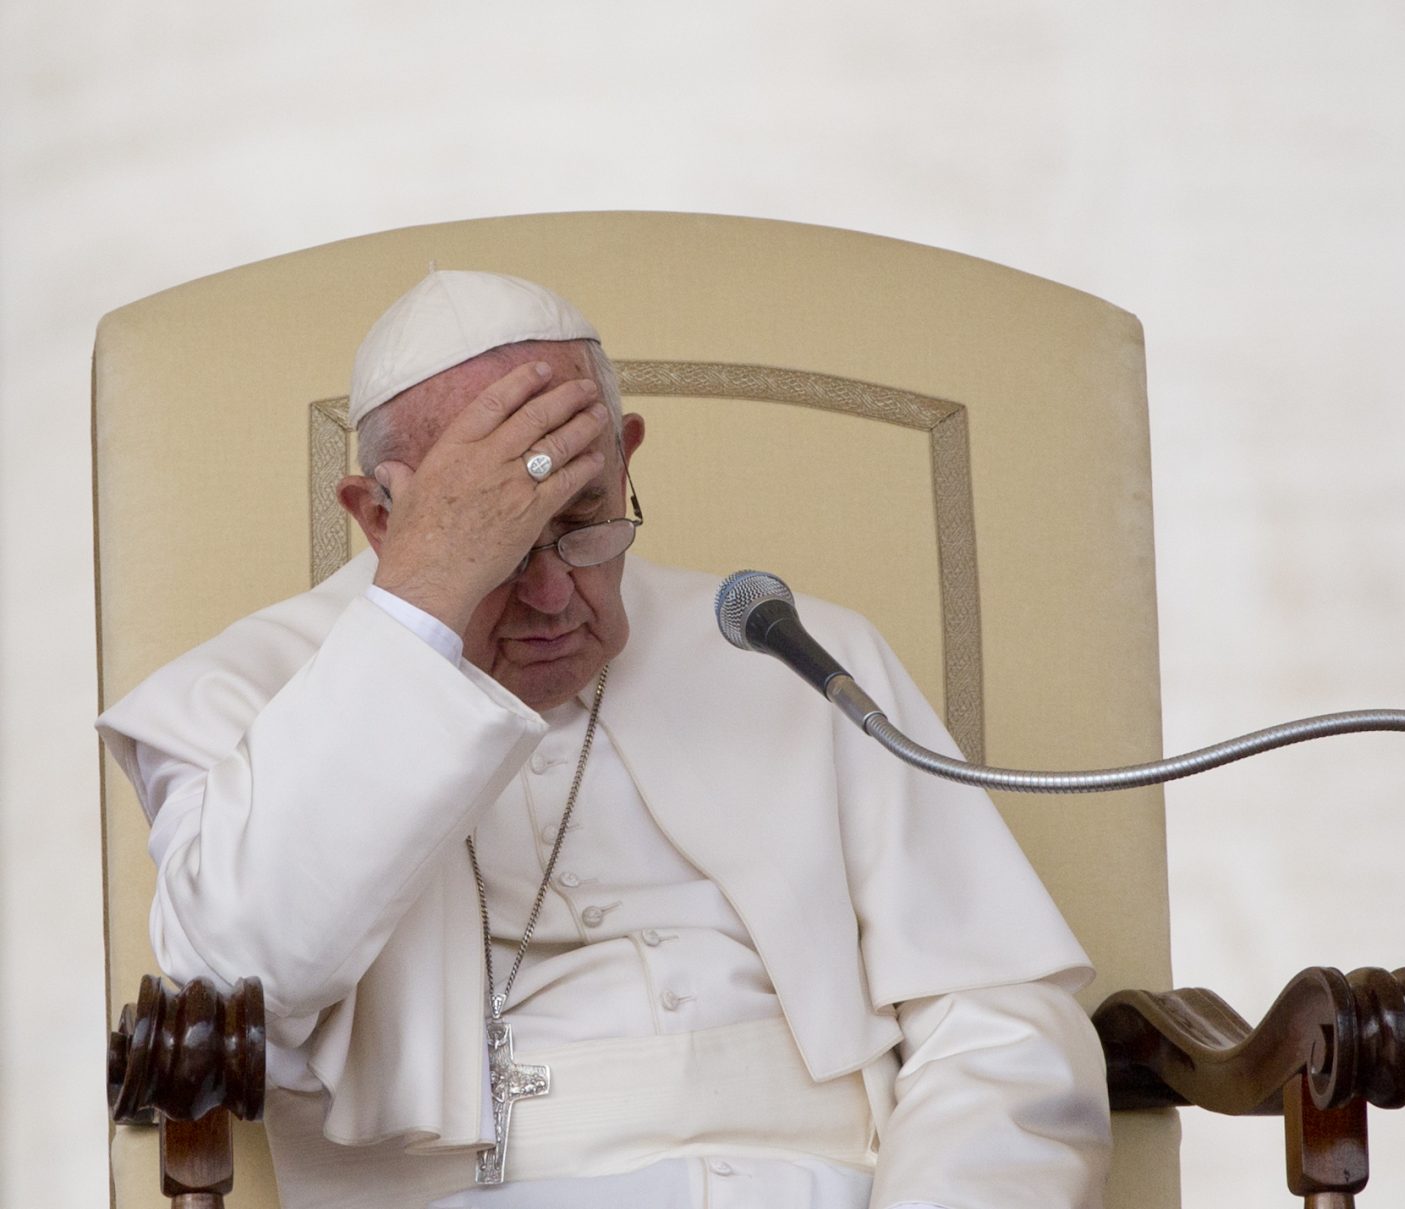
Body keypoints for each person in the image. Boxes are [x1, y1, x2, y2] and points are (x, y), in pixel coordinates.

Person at [98, 271, 1111, 1209]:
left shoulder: (792, 651)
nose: (550, 597)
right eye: (497, 541)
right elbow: (239, 977)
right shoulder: (243, 693)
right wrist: (424, 608)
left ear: (624, 458)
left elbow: (998, 1017)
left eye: (582, 521)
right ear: (377, 517)